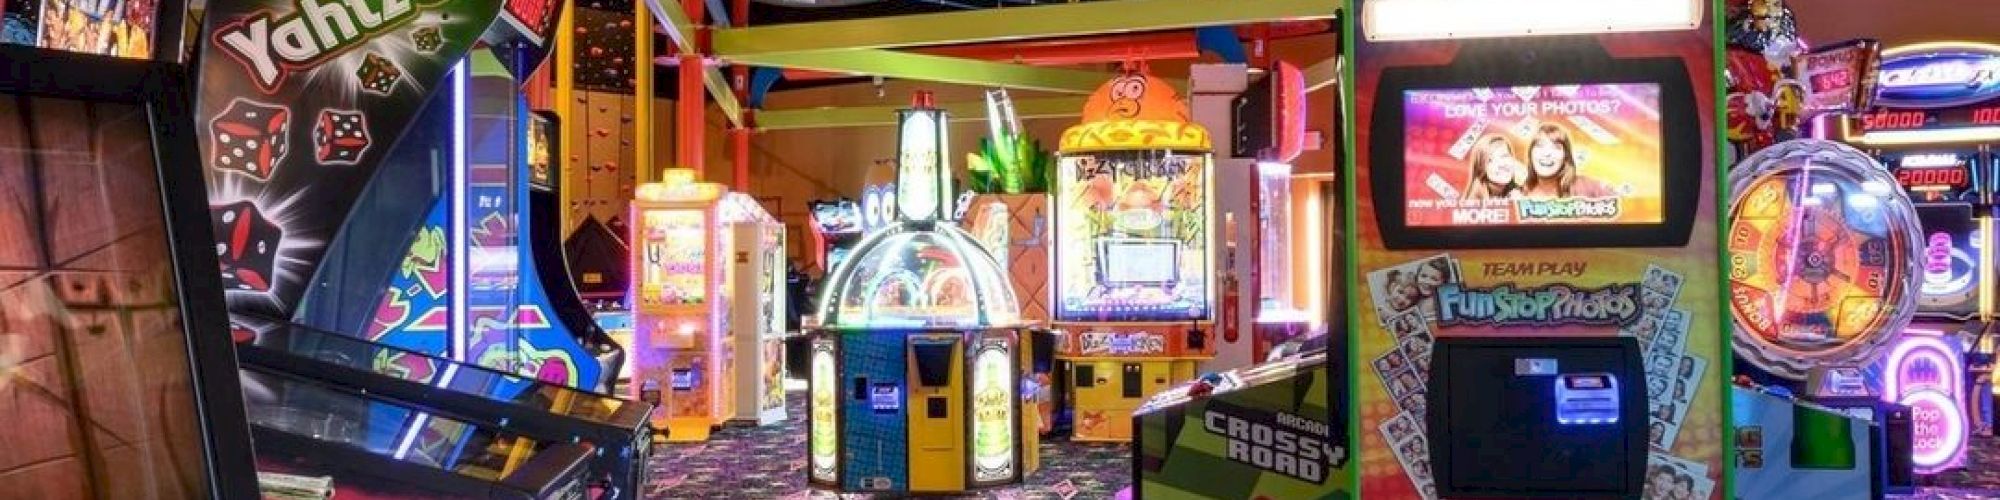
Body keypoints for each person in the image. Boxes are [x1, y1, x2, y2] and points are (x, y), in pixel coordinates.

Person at [1523, 124, 1613, 199]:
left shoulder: (1588, 187)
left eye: (1556, 147)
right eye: (1540, 146)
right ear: (1530, 154)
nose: (1547, 153)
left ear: (1566, 157)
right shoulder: (1520, 195)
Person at [1463, 134, 1526, 201]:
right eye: (1490, 161)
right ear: (1481, 169)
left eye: (1504, 156)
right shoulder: (1475, 202)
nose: (1501, 164)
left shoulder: (1517, 190)